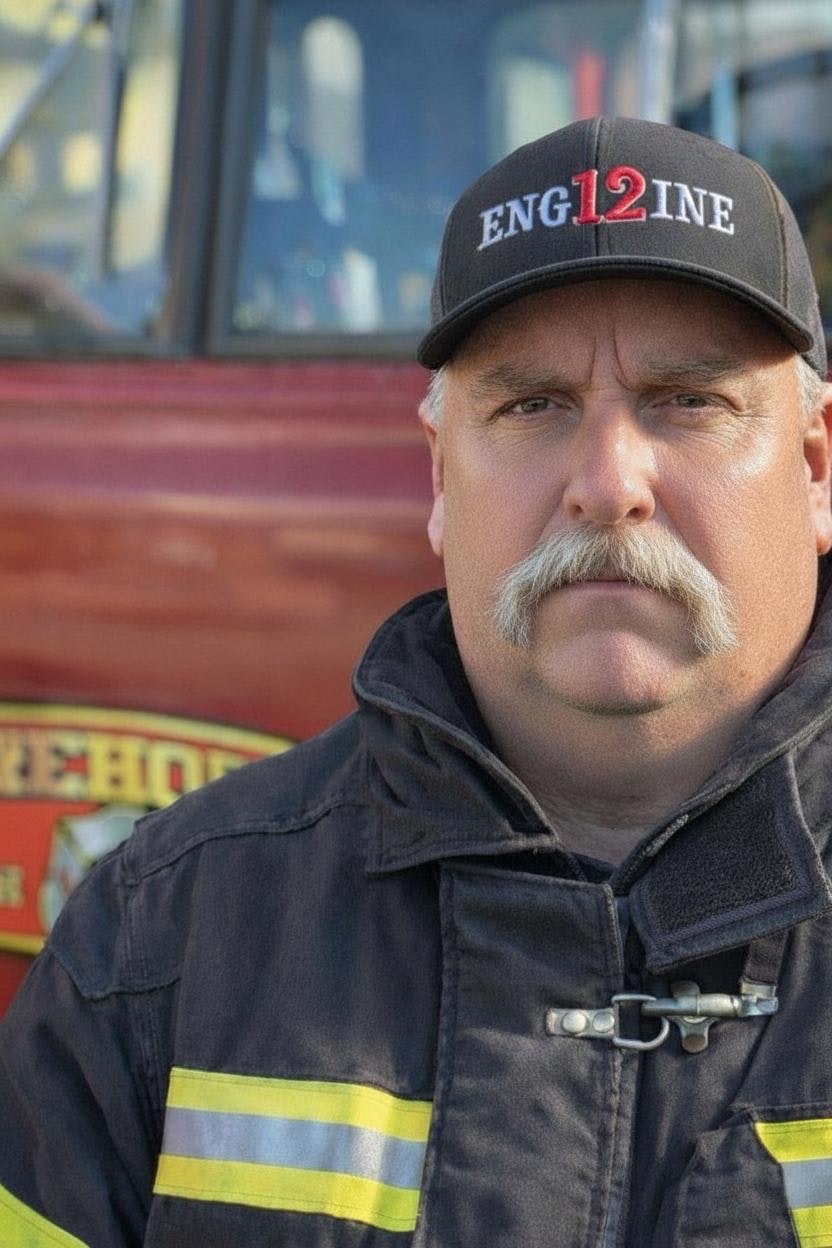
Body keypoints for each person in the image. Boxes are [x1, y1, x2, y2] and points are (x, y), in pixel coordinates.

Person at [1, 116, 831, 1248]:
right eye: (531, 405)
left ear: (816, 466)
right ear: (441, 473)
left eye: (689, 400)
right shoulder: (154, 944)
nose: (607, 482)